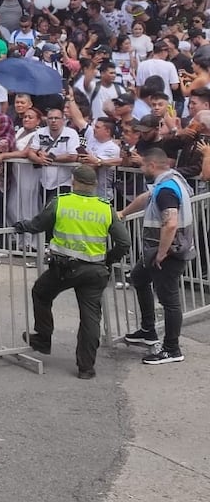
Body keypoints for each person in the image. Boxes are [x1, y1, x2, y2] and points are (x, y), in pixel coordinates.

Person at [13, 166, 131, 379]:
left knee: (41, 292)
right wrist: (108, 260)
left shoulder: (61, 202)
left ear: (73, 181)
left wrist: (22, 226)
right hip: (95, 270)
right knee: (90, 318)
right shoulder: (106, 208)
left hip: (63, 268)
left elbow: (38, 224)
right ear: (94, 185)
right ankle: (86, 368)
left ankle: (43, 337)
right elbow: (124, 242)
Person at [120, 149, 195, 365]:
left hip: (167, 253)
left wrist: (162, 253)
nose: (141, 169)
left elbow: (170, 223)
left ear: (152, 165)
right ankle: (147, 330)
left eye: (143, 165)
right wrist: (123, 213)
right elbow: (147, 197)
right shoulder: (170, 181)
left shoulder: (166, 189)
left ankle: (172, 349)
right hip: (158, 251)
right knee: (139, 278)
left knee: (169, 301)